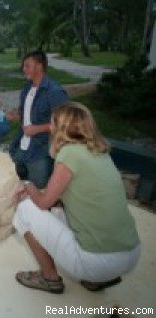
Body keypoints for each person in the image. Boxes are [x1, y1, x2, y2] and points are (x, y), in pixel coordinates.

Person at [12, 102, 140, 294]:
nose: (50, 127)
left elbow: (43, 202)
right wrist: (41, 192)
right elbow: (63, 196)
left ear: (62, 128)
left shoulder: (69, 154)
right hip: (131, 255)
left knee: (25, 209)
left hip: (97, 262)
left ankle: (49, 278)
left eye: (52, 123)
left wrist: (28, 185)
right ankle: (96, 280)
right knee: (57, 212)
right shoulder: (99, 152)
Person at [7, 51, 68, 188]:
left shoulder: (55, 92)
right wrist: (16, 114)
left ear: (39, 67)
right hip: (21, 145)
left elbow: (64, 123)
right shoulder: (27, 87)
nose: (24, 69)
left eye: (27, 66)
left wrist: (36, 129)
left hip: (40, 150)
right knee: (14, 181)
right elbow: (27, 112)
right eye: (24, 66)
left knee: (38, 188)